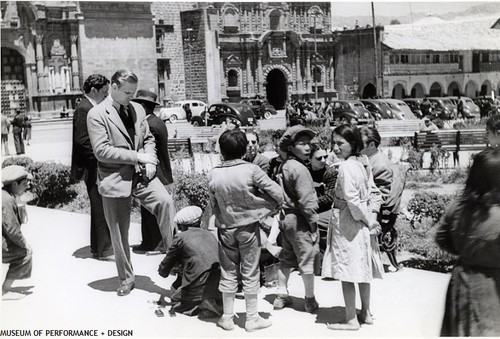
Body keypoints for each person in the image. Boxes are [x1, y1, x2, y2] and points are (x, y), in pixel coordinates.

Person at [87, 69, 176, 296]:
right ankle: (126, 278)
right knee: (119, 232)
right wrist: (138, 157)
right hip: (115, 178)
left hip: (142, 174)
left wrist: (151, 160)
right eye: (127, 92)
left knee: (165, 202)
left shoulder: (137, 108)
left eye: (133, 92)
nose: (131, 96)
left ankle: (175, 258)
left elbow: (147, 138)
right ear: (114, 87)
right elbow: (102, 151)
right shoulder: (97, 114)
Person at [208, 129, 283, 332]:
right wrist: (269, 206)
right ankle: (251, 318)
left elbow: (213, 203)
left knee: (228, 272)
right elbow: (276, 192)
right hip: (248, 228)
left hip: (225, 229)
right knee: (250, 271)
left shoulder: (214, 172)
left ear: (221, 151)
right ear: (243, 150)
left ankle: (227, 317)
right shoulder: (251, 169)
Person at [436, 148, 500, 336]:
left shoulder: (458, 207)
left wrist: (465, 252)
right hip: (493, 287)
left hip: (461, 281)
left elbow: (441, 237)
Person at [326, 124, 383, 331]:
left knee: (347, 270)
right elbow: (370, 192)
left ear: (353, 144)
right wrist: (370, 218)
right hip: (361, 220)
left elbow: (351, 200)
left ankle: (350, 319)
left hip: (349, 221)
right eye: (333, 142)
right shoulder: (362, 161)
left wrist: (367, 220)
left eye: (340, 143)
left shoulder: (346, 167)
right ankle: (365, 312)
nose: (335, 147)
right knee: (362, 267)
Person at [273, 125, 320, 313]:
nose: (307, 147)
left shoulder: (284, 166)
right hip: (299, 219)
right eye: (302, 144)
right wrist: (314, 227)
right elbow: (307, 202)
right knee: (306, 258)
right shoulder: (300, 169)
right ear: (291, 148)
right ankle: (310, 300)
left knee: (286, 258)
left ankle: (280, 295)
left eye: (308, 143)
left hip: (285, 218)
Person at [70, 74, 113, 261]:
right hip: (93, 167)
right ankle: (104, 250)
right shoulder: (84, 109)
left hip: (94, 166)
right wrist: (101, 159)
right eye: (104, 92)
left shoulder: (90, 107)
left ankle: (98, 247)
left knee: (99, 207)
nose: (106, 96)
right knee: (101, 208)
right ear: (94, 90)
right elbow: (83, 141)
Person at [158, 206, 222, 318]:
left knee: (176, 302)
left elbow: (164, 271)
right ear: (200, 222)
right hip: (218, 284)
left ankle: (200, 304)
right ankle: (212, 300)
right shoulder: (210, 235)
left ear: (180, 226)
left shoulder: (180, 237)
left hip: (199, 283)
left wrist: (171, 268)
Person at [131, 89, 174, 254]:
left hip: (156, 173)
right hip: (161, 171)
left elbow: (151, 152)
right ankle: (149, 242)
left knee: (153, 211)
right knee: (149, 210)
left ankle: (156, 244)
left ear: (142, 106)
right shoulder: (157, 121)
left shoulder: (151, 125)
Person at [360, 126, 405, 271]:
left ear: (371, 144)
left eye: (361, 143)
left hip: (374, 212)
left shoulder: (379, 164)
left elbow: (381, 195)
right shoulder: (368, 159)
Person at [2, 165, 33, 300]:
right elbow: (12, 230)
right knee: (25, 254)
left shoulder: (5, 196)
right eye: (25, 183)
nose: (27, 186)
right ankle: (5, 289)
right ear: (14, 184)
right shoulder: (7, 200)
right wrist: (25, 244)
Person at [308, 142, 338, 254]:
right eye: (318, 158)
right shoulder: (305, 171)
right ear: (309, 159)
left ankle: (325, 256)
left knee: (315, 222)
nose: (323, 160)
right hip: (310, 208)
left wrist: (308, 204)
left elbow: (329, 198)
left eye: (325, 156)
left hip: (328, 209)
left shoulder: (330, 172)